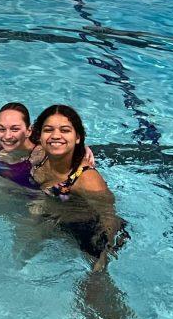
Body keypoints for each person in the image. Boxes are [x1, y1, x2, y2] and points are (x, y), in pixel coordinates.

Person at [29, 104, 128, 270]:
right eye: (48, 130)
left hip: (89, 230)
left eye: (65, 130)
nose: (55, 136)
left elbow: (110, 217)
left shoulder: (86, 179)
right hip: (57, 218)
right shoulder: (40, 153)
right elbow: (11, 123)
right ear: (39, 135)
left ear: (78, 137)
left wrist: (102, 259)